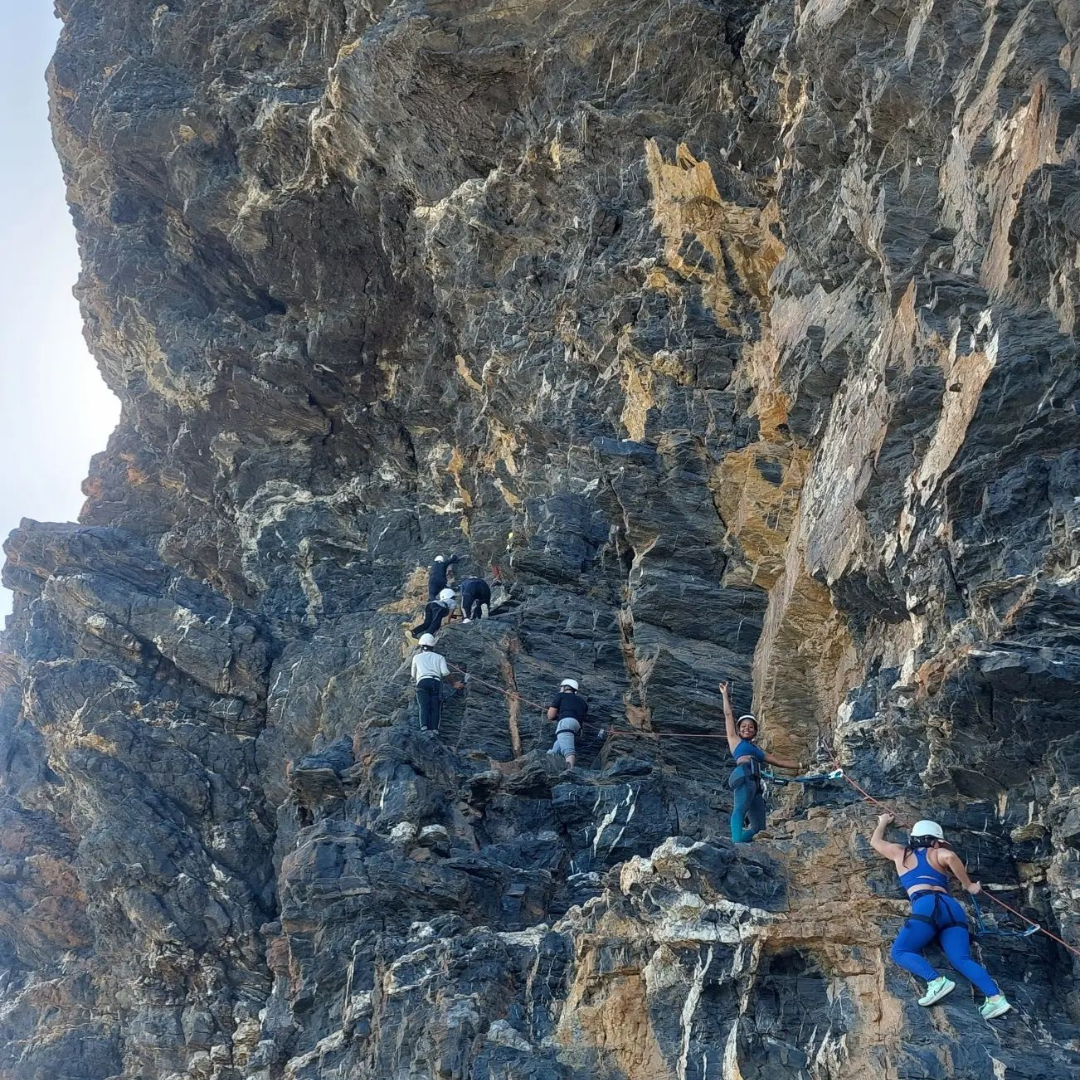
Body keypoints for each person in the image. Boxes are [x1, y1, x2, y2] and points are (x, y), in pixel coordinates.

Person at [871, 814, 1011, 1019]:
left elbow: (875, 842)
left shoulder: (900, 853)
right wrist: (968, 885)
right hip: (951, 908)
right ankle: (996, 998)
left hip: (927, 905)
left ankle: (935, 981)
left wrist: (883, 822)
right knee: (961, 958)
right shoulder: (938, 853)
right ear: (934, 840)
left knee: (900, 951)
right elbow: (950, 857)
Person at [719, 681, 800, 843]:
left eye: (750, 727)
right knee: (740, 809)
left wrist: (801, 765)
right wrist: (724, 695)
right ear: (739, 729)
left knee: (758, 828)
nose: (746, 729)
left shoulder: (757, 751)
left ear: (755, 731)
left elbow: (778, 762)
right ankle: (736, 843)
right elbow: (728, 716)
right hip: (743, 775)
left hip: (755, 783)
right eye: (743, 727)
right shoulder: (735, 741)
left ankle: (740, 841)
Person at [410, 634, 463, 733]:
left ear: (421, 646)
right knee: (435, 707)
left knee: (423, 706)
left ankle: (424, 727)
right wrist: (454, 683)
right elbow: (445, 673)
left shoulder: (416, 657)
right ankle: (435, 729)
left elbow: (413, 675)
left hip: (422, 682)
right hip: (435, 682)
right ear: (433, 646)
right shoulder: (440, 657)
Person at [546, 678, 588, 769]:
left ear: (564, 687)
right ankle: (549, 763)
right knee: (555, 749)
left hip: (566, 722)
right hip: (577, 726)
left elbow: (550, 716)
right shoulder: (582, 702)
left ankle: (570, 771)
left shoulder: (561, 696)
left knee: (568, 751)